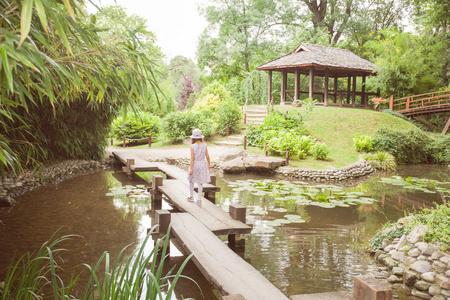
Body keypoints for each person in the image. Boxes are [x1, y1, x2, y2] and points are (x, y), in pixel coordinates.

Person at [187, 129, 211, 206]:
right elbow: (207, 156)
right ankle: (199, 199)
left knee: (191, 180)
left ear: (193, 137)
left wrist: (191, 169)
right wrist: (208, 165)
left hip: (195, 164)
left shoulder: (192, 146)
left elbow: (192, 158)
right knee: (200, 182)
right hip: (202, 164)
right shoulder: (204, 145)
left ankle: (191, 196)